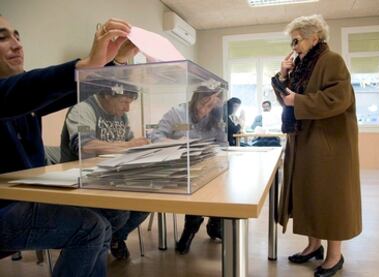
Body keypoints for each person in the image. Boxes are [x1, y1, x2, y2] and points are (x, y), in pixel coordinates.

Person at [0, 16, 134, 276]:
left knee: (106, 223)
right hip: (7, 208)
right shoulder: (16, 93)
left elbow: (62, 90)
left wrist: (115, 62)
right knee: (91, 228)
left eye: (17, 36)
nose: (17, 45)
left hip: (29, 198)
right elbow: (29, 88)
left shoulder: (22, 95)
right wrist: (87, 64)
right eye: (2, 37)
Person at [272, 14, 362, 277]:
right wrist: (282, 74)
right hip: (305, 141)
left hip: (328, 144)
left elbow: (338, 98)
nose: (293, 47)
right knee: (309, 194)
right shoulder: (302, 65)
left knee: (331, 198)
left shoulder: (331, 60)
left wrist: (297, 101)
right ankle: (313, 245)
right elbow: (288, 101)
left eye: (296, 40)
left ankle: (335, 256)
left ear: (314, 37)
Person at [60, 79, 149, 260]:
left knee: (148, 202)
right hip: (83, 179)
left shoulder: (120, 116)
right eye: (124, 102)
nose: (127, 109)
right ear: (108, 94)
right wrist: (127, 145)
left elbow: (129, 144)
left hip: (113, 177)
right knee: (119, 212)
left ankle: (113, 237)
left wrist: (142, 147)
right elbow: (85, 146)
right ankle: (99, 240)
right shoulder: (83, 109)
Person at [150, 84, 226, 255]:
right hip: (180, 166)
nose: (205, 111)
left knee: (221, 180)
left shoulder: (215, 116)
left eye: (211, 106)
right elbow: (155, 137)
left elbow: (222, 143)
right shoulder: (178, 113)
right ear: (195, 99)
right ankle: (192, 228)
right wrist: (177, 143)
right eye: (203, 104)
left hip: (208, 164)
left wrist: (216, 155)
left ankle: (215, 223)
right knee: (199, 182)